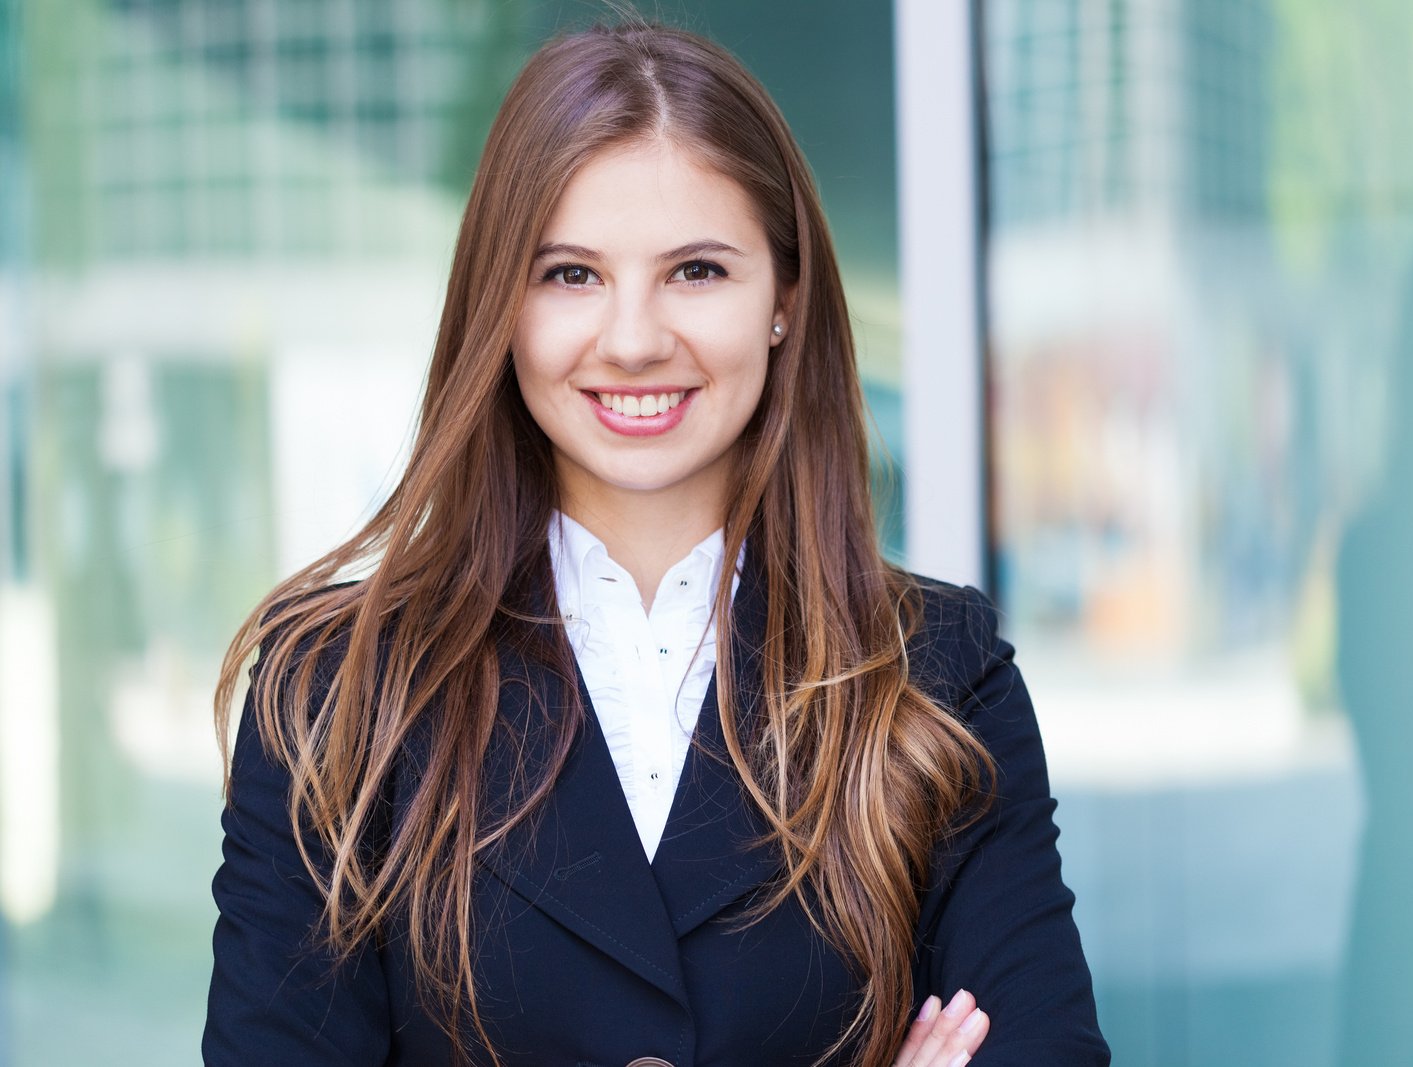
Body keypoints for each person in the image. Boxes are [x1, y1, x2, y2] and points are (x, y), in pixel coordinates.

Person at [203, 18, 1108, 1067]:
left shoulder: (939, 675)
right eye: (570, 274)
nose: (632, 338)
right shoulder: (335, 692)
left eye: (696, 270)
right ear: (500, 304)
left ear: (784, 300)